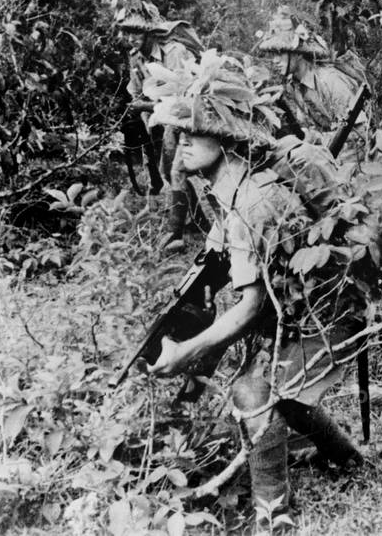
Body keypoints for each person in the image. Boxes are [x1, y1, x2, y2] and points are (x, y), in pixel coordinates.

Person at [145, 53, 363, 529]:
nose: (180, 146)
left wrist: (187, 351)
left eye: (190, 134)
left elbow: (250, 308)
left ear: (224, 135)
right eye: (177, 135)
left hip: (330, 314)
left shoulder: (254, 199)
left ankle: (273, 511)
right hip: (305, 307)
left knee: (253, 391)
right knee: (278, 391)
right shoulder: (229, 186)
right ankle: (347, 459)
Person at [115, 0, 204, 252]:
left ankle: (176, 232)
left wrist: (146, 108)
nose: (130, 38)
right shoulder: (136, 57)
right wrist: (144, 117)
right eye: (126, 32)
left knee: (176, 170)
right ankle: (195, 222)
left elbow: (184, 96)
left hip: (187, 114)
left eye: (135, 32)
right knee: (168, 172)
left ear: (148, 30)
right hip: (159, 117)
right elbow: (138, 92)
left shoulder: (175, 51)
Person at [256, 8, 368, 150]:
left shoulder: (329, 80)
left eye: (280, 53)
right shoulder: (294, 86)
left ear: (298, 54)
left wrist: (319, 140)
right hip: (328, 152)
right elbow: (310, 127)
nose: (274, 61)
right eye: (273, 55)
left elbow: (361, 133)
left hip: (356, 154)